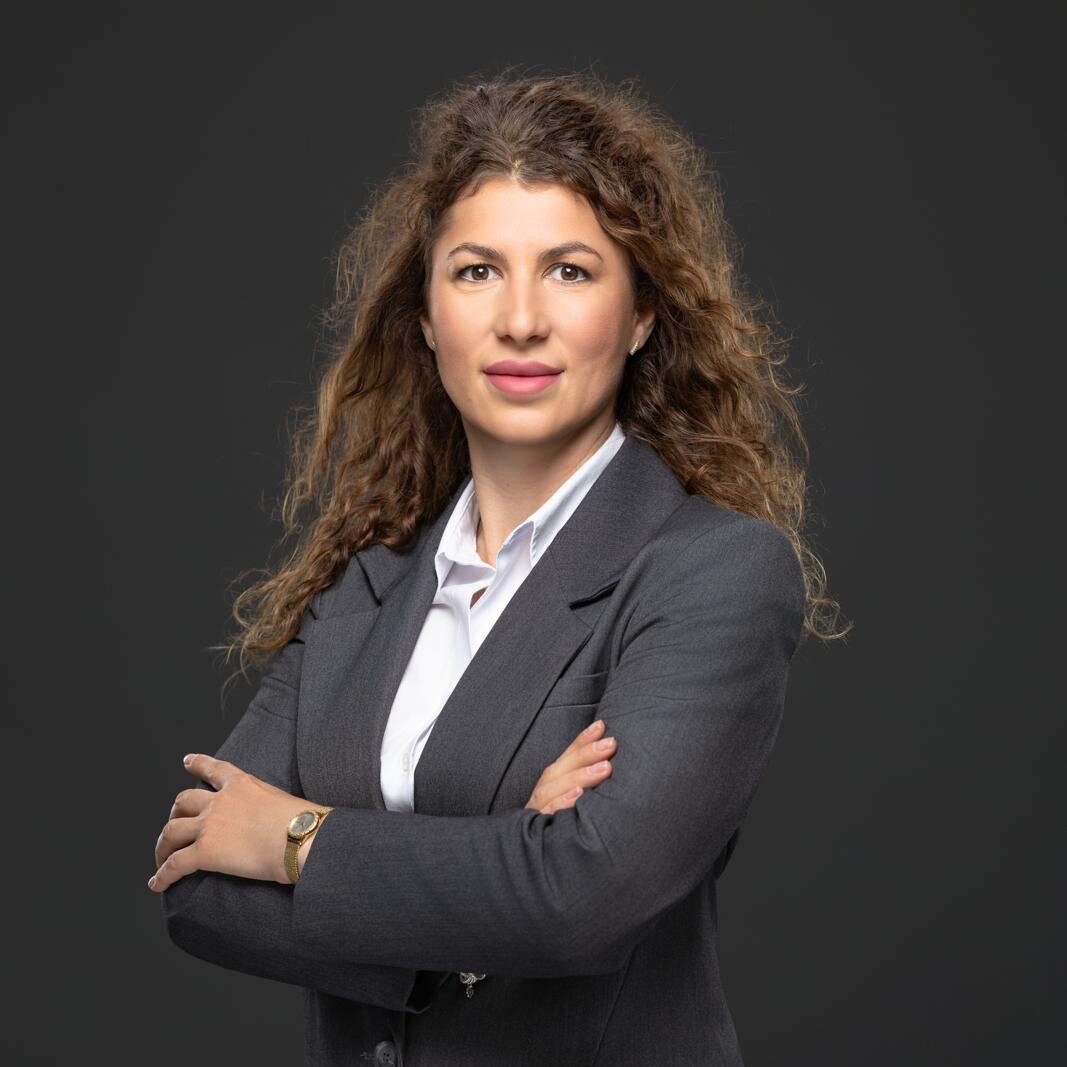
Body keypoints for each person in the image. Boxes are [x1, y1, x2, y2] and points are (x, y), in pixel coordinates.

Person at [149, 69, 847, 1066]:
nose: (519, 318)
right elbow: (197, 885)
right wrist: (500, 862)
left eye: (569, 269)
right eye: (476, 270)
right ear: (426, 312)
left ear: (641, 311)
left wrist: (297, 839)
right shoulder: (367, 580)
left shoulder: (714, 573)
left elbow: (579, 903)